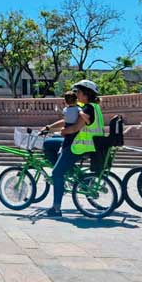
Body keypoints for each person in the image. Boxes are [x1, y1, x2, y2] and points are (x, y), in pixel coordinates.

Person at [39, 79, 104, 218]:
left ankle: (56, 209)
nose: (76, 94)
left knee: (56, 173)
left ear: (86, 94)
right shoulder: (92, 107)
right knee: (50, 143)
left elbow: (75, 127)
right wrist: (50, 128)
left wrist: (63, 132)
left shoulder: (87, 109)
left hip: (80, 146)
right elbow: (68, 120)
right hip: (85, 143)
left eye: (78, 91)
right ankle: (67, 169)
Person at [42, 91, 81, 166]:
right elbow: (65, 122)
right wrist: (49, 127)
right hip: (73, 137)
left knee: (47, 143)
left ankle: (58, 168)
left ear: (65, 101)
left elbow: (67, 124)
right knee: (54, 137)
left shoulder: (66, 110)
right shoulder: (79, 109)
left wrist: (51, 128)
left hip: (73, 138)